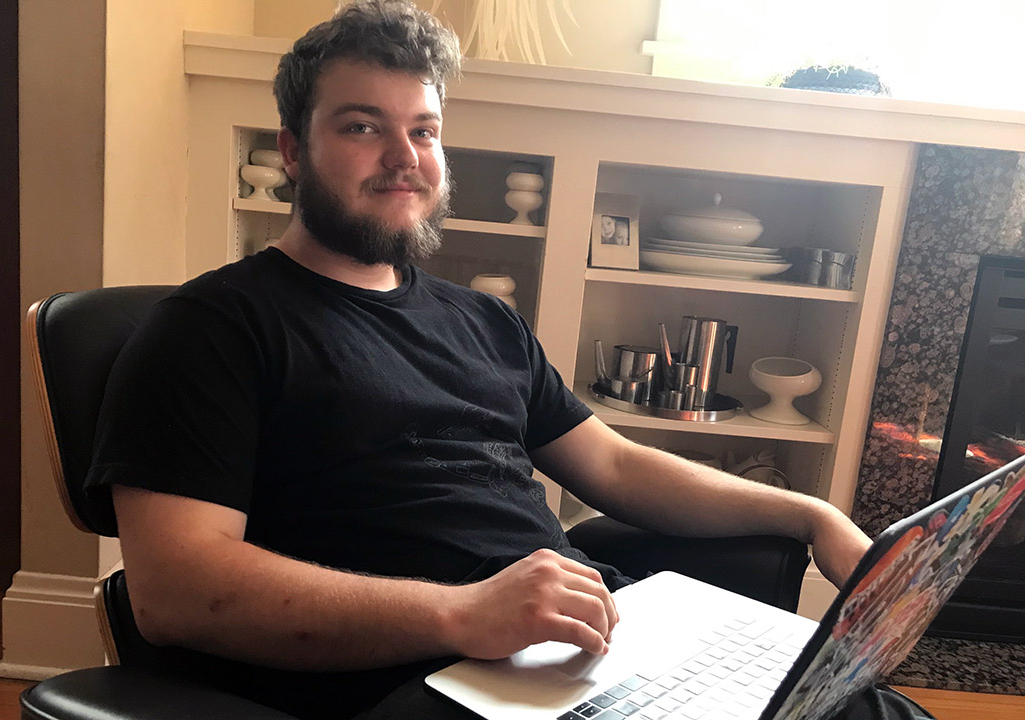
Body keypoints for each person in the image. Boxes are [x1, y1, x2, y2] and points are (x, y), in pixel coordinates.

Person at [86, 2, 932, 719]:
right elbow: (174, 591)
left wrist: (807, 514)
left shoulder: (482, 320)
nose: (403, 156)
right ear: (295, 149)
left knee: (852, 702)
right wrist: (462, 615)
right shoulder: (212, 328)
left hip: (583, 648)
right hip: (421, 678)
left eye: (424, 129)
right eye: (361, 126)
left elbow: (618, 465)